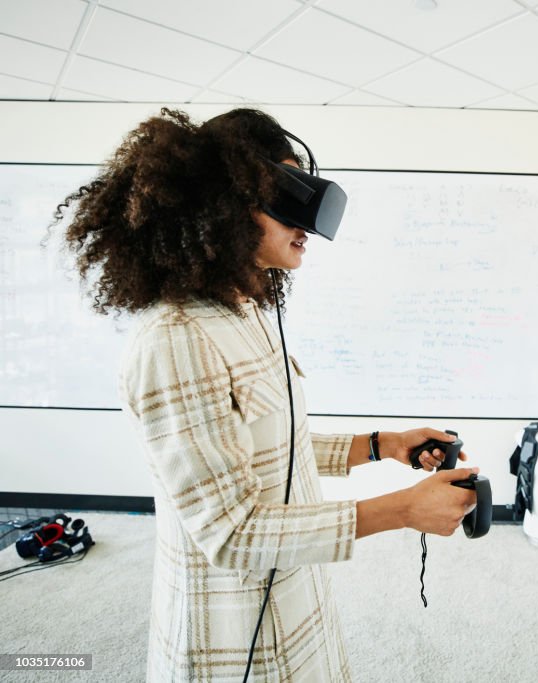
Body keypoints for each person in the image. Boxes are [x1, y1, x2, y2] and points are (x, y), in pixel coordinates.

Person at [51, 107, 478, 682]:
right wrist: (402, 510)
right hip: (236, 635)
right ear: (223, 208)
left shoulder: (246, 311)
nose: (306, 224)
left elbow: (271, 446)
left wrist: (384, 444)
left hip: (295, 591)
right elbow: (231, 532)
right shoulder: (175, 341)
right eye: (282, 200)